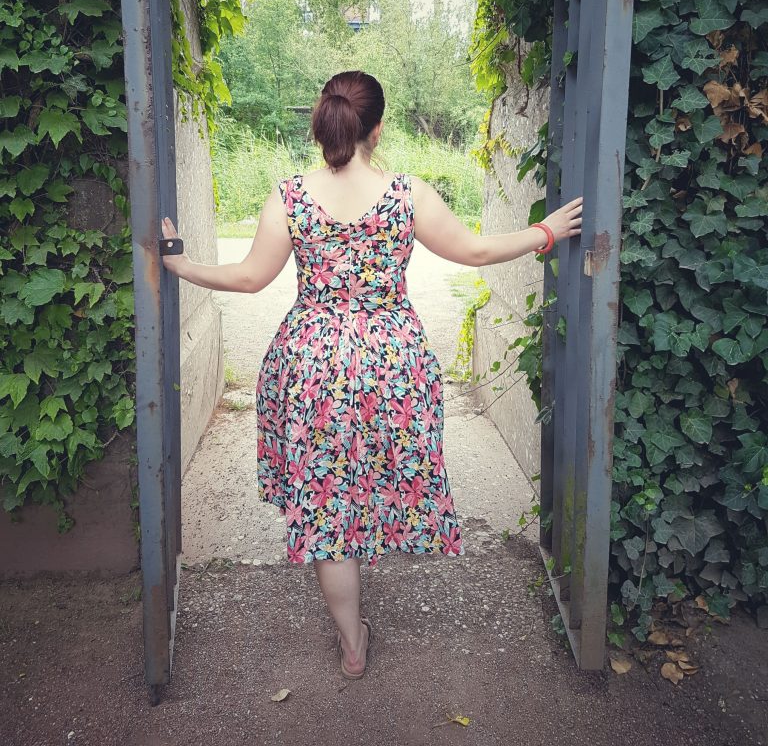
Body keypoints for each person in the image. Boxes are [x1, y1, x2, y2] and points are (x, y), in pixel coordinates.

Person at [160, 69, 582, 680]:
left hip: (311, 363)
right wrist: (545, 231)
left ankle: (352, 645)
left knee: (328, 508)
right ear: (376, 131)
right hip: (392, 362)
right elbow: (476, 251)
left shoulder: (289, 196)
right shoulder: (409, 194)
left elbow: (250, 278)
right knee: (378, 481)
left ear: (326, 123)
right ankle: (370, 561)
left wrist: (182, 266)